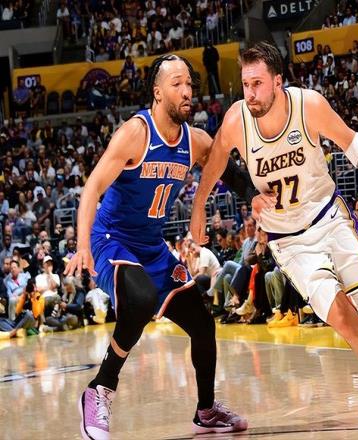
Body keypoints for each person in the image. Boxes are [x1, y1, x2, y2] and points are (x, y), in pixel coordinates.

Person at [190, 42, 358, 423]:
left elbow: (352, 143)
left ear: (278, 82)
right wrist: (200, 207)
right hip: (290, 244)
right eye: (245, 84)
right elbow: (217, 159)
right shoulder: (238, 119)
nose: (250, 93)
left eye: (257, 84)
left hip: (329, 219)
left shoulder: (309, 105)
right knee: (344, 320)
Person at [64, 54, 249, 440]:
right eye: (177, 83)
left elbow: (229, 172)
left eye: (190, 84)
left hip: (152, 246)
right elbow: (92, 187)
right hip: (111, 239)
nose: (187, 91)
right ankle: (99, 389)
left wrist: (259, 197)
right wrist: (82, 245)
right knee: (141, 299)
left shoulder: (194, 141)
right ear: (158, 91)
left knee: (203, 324)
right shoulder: (136, 132)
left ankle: (206, 410)